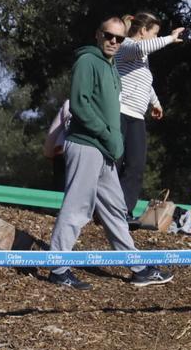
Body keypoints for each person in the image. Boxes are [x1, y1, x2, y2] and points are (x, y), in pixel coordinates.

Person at [46, 15, 173, 289]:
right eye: (109, 36)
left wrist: (114, 140)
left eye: (118, 38)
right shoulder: (88, 61)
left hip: (104, 151)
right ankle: (57, 269)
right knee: (77, 208)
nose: (113, 41)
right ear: (97, 35)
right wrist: (107, 134)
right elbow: (80, 105)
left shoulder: (112, 66)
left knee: (115, 209)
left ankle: (139, 268)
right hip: (85, 145)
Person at [115, 12, 186, 221]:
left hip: (137, 116)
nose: (156, 38)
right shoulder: (127, 46)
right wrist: (170, 39)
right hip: (119, 111)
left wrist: (155, 102)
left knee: (136, 165)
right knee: (115, 163)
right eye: (155, 34)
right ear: (144, 31)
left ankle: (124, 211)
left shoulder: (142, 58)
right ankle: (103, 208)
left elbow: (145, 80)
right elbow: (141, 47)